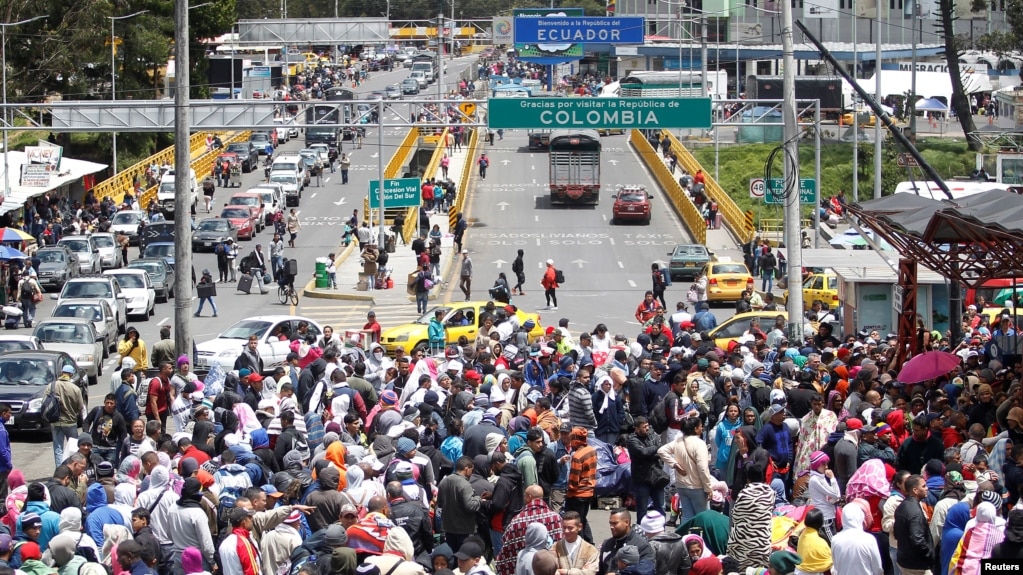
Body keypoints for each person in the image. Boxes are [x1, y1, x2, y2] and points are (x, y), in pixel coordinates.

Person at [437, 456, 488, 551]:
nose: (472, 473)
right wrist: (478, 499)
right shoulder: (465, 484)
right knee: (464, 555)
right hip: (464, 529)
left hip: (448, 528)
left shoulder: (443, 481)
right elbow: (471, 506)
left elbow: (439, 503)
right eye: (472, 470)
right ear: (467, 468)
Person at [893, 475, 932, 575]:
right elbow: (917, 540)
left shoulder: (902, 506)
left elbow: (896, 533)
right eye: (923, 486)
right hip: (915, 565)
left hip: (905, 559)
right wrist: (929, 552)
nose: (927, 488)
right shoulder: (915, 512)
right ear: (915, 490)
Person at [597, 509, 655, 575]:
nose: (611, 527)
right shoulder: (607, 544)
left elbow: (646, 571)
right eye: (610, 523)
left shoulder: (642, 546)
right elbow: (600, 571)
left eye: (615, 523)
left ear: (627, 522)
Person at [831, 504, 883, 575]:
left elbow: (836, 566)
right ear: (861, 517)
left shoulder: (835, 539)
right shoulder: (869, 539)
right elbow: (877, 568)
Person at [50, 365, 83, 468]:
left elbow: (44, 402)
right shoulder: (75, 389)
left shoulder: (51, 386)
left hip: (55, 421)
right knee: (73, 447)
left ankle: (60, 470)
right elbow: (80, 406)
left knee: (58, 448)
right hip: (70, 421)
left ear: (62, 373)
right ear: (71, 374)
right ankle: (73, 467)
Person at [553, 510, 599, 575]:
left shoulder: (590, 550)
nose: (566, 531)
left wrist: (566, 572)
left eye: (570, 528)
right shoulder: (555, 547)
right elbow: (551, 569)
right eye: (564, 527)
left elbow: (592, 571)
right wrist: (581, 572)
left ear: (579, 527)